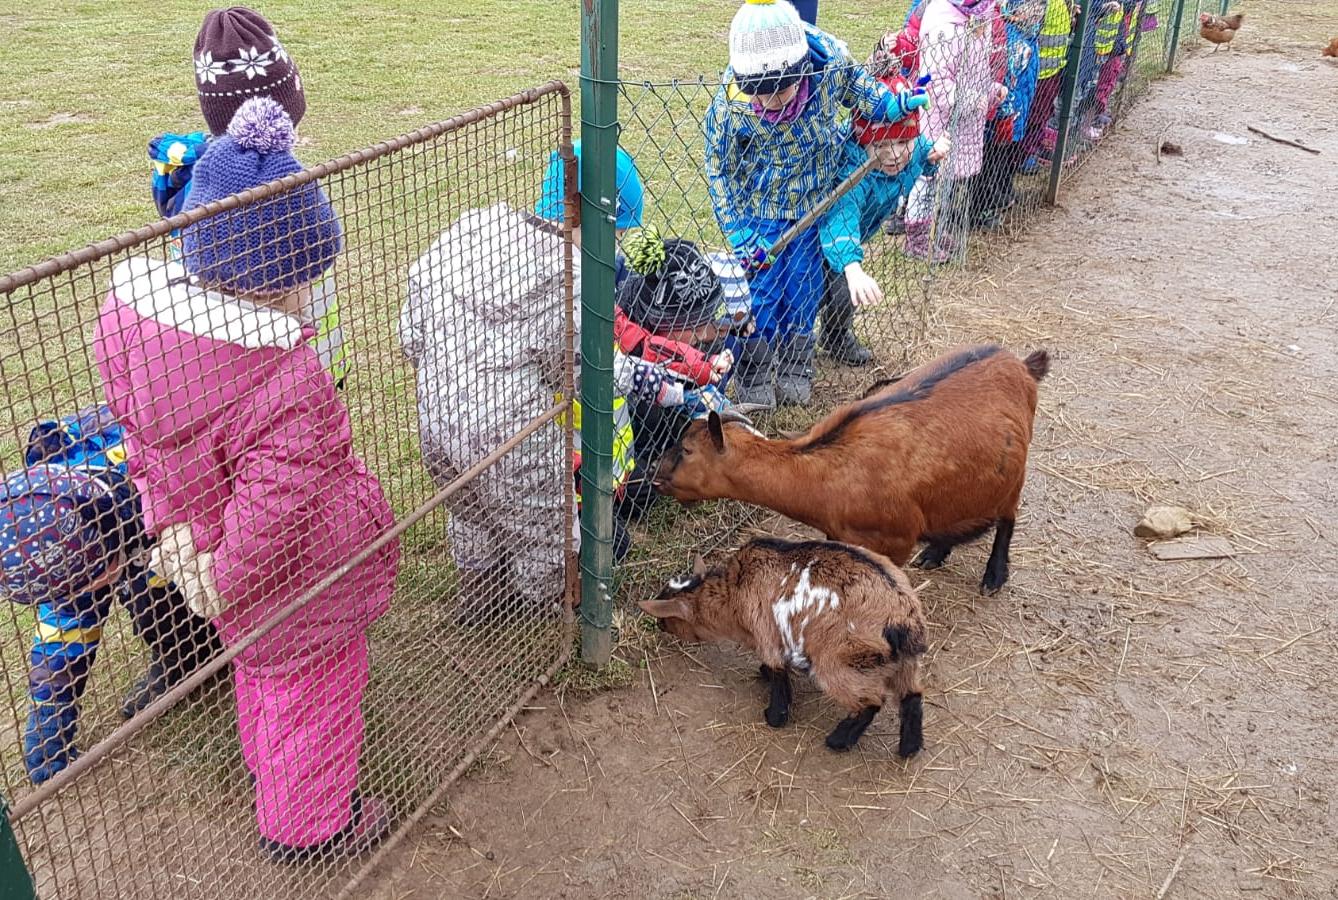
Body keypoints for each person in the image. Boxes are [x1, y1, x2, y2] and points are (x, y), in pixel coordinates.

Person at [95, 97, 400, 861]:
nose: (313, 292)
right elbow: (276, 508)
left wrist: (191, 552)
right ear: (275, 281)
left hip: (212, 558)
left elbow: (145, 447)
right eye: (307, 277)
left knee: (265, 681)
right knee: (319, 696)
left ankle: (278, 780)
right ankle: (310, 829)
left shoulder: (141, 339)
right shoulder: (285, 382)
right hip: (301, 579)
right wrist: (229, 577)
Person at [400, 141, 667, 615]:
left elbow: (411, 331)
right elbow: (583, 370)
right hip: (511, 432)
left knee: (470, 511)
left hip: (436, 413)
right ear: (594, 219)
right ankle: (546, 613)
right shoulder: (569, 275)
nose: (617, 247)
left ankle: (479, 594)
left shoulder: (475, 227)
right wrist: (645, 380)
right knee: (544, 519)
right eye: (617, 232)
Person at [705, 0, 925, 407]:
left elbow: (862, 89)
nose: (770, 101)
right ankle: (754, 370)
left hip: (813, 204)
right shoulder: (731, 103)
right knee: (762, 291)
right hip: (759, 210)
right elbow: (719, 167)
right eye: (759, 92)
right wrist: (737, 228)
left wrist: (892, 106)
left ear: (802, 67)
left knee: (804, 285)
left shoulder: (830, 63)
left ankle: (795, 364)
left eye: (781, 89)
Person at [148, 6, 350, 389]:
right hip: (284, 365)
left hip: (214, 362)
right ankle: (327, 379)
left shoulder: (190, 174)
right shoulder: (281, 189)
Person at [1, 459, 219, 786]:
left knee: (156, 598)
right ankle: (183, 658)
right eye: (75, 588)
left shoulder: (144, 482)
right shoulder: (50, 538)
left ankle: (203, 649)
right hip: (117, 535)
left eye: (90, 579)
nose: (87, 589)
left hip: (173, 514)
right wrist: (48, 740)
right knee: (130, 603)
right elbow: (64, 633)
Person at [817, 70, 950, 332]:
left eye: (903, 141)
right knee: (818, 292)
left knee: (843, 297)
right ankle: (796, 349)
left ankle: (836, 337)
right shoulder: (853, 175)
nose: (894, 154)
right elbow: (842, 216)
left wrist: (932, 155)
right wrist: (852, 268)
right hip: (823, 238)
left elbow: (921, 152)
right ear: (863, 143)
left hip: (853, 239)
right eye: (880, 146)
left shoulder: (914, 148)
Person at [903, 0, 1003, 263]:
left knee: (943, 182)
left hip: (960, 120)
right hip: (938, 122)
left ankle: (935, 228)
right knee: (925, 182)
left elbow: (974, 71)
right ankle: (917, 237)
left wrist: (989, 90)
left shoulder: (977, 17)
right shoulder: (945, 28)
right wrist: (973, 99)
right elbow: (934, 84)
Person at [971, 0, 1045, 227]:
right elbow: (1005, 77)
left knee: (1005, 154)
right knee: (992, 157)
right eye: (1031, 5)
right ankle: (981, 203)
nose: (1038, 11)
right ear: (1013, 12)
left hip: (1019, 107)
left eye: (1041, 6)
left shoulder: (1030, 36)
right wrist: (1007, 111)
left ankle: (1001, 187)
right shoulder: (1012, 38)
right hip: (1005, 111)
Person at [1019, 0, 1074, 174]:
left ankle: (1034, 146)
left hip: (1052, 67)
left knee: (1043, 112)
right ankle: (1025, 154)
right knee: (1033, 115)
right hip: (1035, 70)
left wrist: (1071, 16)